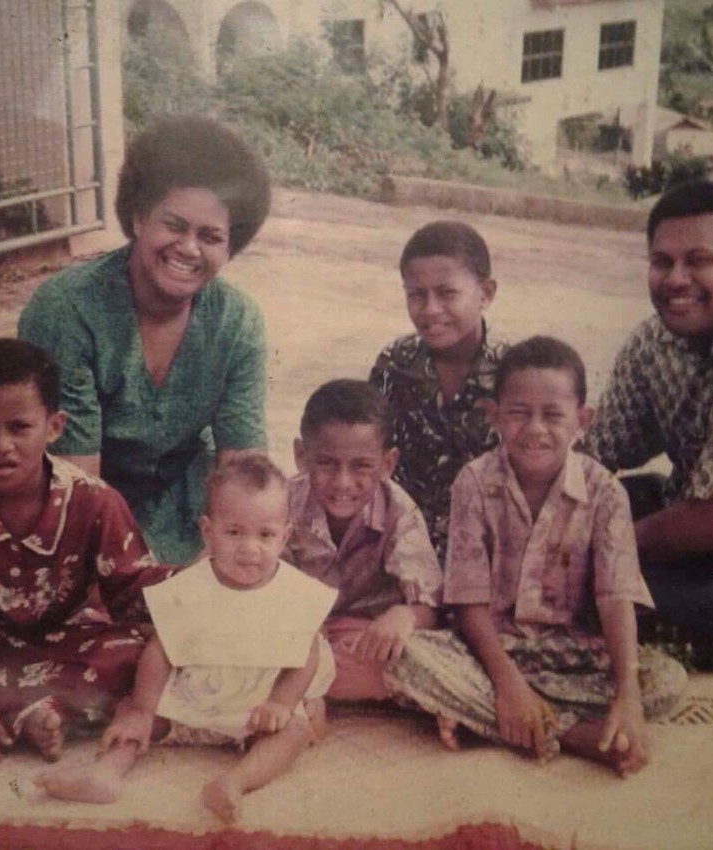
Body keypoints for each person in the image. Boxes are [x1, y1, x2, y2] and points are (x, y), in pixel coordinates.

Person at [385, 337, 687, 777]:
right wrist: (508, 685)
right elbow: (466, 602)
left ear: (582, 421)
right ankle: (573, 735)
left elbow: (615, 598)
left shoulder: (605, 493)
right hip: (492, 650)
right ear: (494, 416)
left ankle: (495, 720)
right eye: (519, 413)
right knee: (408, 657)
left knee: (665, 683)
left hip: (575, 653)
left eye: (553, 415)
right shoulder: (473, 482)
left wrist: (628, 697)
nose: (535, 429)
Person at [18, 115, 271, 565]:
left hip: (189, 509)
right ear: (138, 217)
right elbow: (76, 483)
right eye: (174, 225)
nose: (189, 248)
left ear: (231, 247)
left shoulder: (239, 323)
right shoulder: (66, 309)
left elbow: (242, 473)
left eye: (210, 236)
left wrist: (226, 563)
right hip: (76, 511)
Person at [36, 452, 337, 823]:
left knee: (293, 732)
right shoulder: (189, 586)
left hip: (256, 704)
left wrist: (281, 702)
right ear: (208, 532)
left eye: (265, 534)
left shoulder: (295, 591)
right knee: (131, 708)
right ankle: (107, 774)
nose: (249, 547)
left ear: (285, 536)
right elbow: (161, 650)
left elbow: (306, 653)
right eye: (234, 532)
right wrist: (145, 710)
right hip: (192, 696)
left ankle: (234, 782)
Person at [0, 338, 172, 767]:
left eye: (20, 427)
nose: (1, 444)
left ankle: (30, 713)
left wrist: (206, 587)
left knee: (137, 657)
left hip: (68, 648)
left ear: (54, 426)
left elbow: (133, 590)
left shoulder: (93, 501)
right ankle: (9, 713)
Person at [582, 180, 713, 671]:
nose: (676, 279)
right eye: (662, 262)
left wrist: (586, 547)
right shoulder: (656, 338)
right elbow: (596, 452)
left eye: (698, 260)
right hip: (691, 516)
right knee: (584, 504)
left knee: (590, 596)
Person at [284, 379, 443, 701]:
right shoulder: (281, 503)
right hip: (298, 632)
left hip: (364, 634)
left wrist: (404, 616)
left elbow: (428, 600)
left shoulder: (399, 511)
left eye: (361, 466)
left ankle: (312, 688)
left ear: (387, 464)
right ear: (301, 455)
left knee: (419, 654)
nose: (343, 482)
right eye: (327, 463)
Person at [370, 221, 508, 564]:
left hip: (488, 552)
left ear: (485, 293)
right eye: (416, 294)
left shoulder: (515, 375)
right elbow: (371, 452)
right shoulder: (395, 363)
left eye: (447, 293)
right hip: (400, 546)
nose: (430, 309)